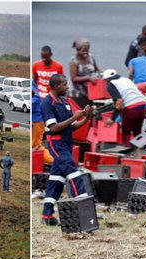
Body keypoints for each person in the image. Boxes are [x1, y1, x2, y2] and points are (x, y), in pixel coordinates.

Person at [40, 74, 93, 225]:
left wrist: (86, 117)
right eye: (64, 85)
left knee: (56, 180)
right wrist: (74, 117)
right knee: (73, 172)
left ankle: (47, 216)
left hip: (67, 144)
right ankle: (84, 213)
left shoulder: (65, 102)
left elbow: (72, 127)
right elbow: (53, 128)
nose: (67, 87)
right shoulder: (47, 103)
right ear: (56, 86)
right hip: (57, 145)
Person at [103, 69, 146, 144]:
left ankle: (127, 150)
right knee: (137, 131)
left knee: (126, 132)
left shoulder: (111, 84)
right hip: (142, 105)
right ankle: (143, 148)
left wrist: (113, 118)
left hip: (131, 108)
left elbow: (119, 101)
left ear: (106, 79)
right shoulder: (126, 79)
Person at [68, 38, 100, 105]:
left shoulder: (91, 57)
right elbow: (73, 78)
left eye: (87, 50)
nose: (85, 53)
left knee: (89, 112)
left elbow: (96, 69)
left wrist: (105, 73)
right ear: (78, 50)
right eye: (83, 51)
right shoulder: (74, 61)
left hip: (89, 92)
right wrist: (88, 78)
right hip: (77, 94)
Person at [32, 81, 54, 166]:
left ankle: (55, 161)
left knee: (35, 147)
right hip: (36, 120)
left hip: (36, 121)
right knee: (35, 147)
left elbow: (36, 99)